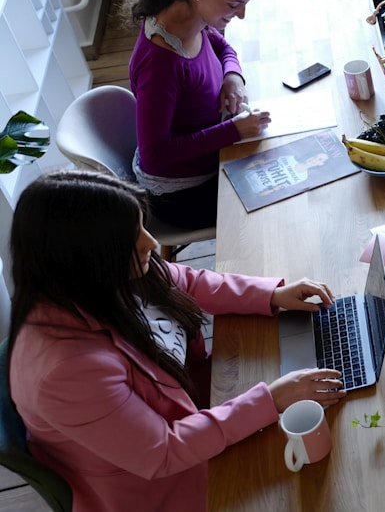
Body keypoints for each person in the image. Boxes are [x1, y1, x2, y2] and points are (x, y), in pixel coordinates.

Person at [6, 170, 346, 512]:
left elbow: (187, 281)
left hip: (200, 407)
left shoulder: (101, 276)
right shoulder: (65, 373)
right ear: (84, 257)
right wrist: (271, 400)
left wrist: (271, 295)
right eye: (132, 237)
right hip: (159, 484)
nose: (151, 243)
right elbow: (162, 451)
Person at [127, 0, 271, 230]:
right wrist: (233, 130)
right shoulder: (160, 63)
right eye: (234, 4)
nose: (241, 14)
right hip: (182, 193)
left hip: (212, 150)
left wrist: (233, 76)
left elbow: (220, 45)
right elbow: (157, 154)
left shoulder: (190, 17)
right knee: (275, 203)